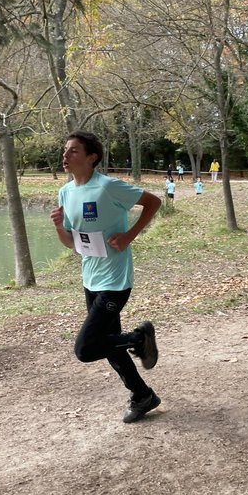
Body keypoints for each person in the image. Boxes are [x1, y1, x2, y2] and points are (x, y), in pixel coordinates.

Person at [50, 130, 162, 424]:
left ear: (91, 157)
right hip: (90, 279)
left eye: (73, 151)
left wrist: (128, 236)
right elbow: (72, 244)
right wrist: (60, 227)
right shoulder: (66, 192)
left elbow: (153, 202)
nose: (65, 155)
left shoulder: (108, 187)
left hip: (115, 280)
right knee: (109, 345)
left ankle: (140, 337)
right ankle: (142, 396)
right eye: (65, 150)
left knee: (86, 349)